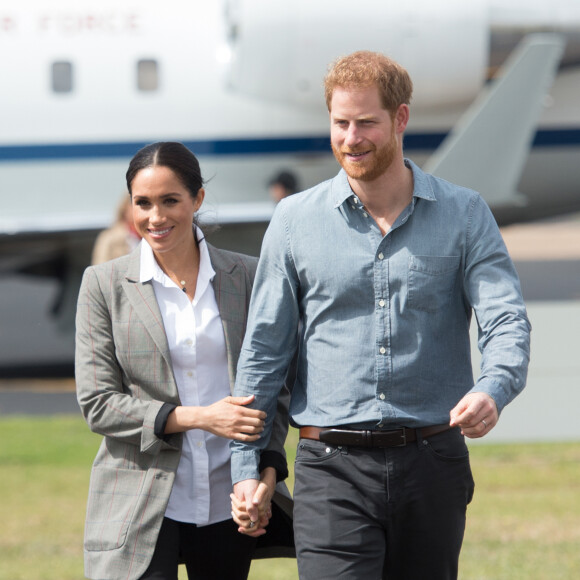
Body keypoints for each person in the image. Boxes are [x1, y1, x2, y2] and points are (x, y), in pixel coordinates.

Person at [230, 51, 531, 579]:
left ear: (400, 119)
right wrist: (248, 465)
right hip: (331, 469)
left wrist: (494, 387)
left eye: (366, 122)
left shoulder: (464, 214)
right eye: (340, 123)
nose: (351, 138)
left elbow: (505, 319)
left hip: (433, 462)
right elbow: (264, 353)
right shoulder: (294, 221)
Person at [75, 142, 294, 580]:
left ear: (197, 199)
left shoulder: (248, 276)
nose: (156, 217)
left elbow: (276, 392)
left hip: (229, 500)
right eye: (143, 203)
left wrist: (265, 479)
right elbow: (98, 402)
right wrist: (200, 417)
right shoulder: (103, 284)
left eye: (170, 200)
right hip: (139, 501)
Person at [91, 194, 141, 264]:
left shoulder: (150, 235)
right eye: (136, 204)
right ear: (125, 209)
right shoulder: (109, 238)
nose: (140, 209)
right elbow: (100, 268)